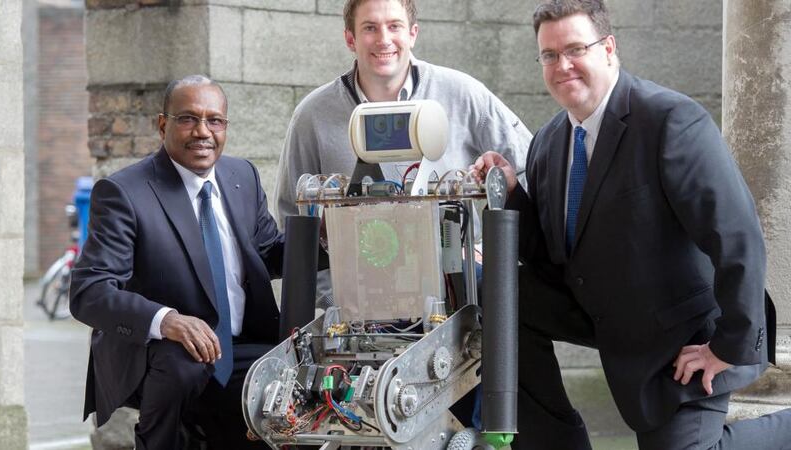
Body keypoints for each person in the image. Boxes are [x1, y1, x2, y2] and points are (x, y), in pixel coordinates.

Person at [470, 1, 791, 449]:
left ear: (608, 48)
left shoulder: (670, 120)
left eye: (575, 48)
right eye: (549, 55)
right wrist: (510, 193)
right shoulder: (548, 142)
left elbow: (738, 238)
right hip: (606, 307)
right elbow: (549, 255)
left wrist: (728, 346)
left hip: (683, 332)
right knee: (501, 294)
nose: (562, 65)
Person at [70, 75, 286, 449]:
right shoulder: (125, 192)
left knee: (294, 373)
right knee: (184, 360)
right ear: (162, 124)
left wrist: (331, 237)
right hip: (157, 351)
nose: (203, 131)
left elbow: (267, 253)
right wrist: (166, 320)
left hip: (239, 343)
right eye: (188, 118)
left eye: (214, 120)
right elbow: (89, 291)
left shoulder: (242, 177)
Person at [273, 0, 533, 222]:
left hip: (453, 276)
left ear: (413, 33)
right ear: (350, 39)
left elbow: (528, 169)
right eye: (370, 28)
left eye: (394, 26)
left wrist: (486, 253)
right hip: (352, 276)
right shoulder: (312, 114)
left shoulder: (463, 93)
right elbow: (290, 211)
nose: (384, 39)